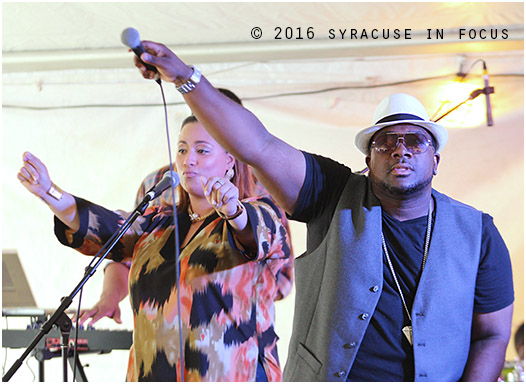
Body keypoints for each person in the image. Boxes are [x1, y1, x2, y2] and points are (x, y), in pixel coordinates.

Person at [130, 40, 515, 381]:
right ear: (368, 158)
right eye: (386, 142)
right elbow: (257, 145)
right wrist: (185, 77)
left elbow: (493, 334)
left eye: (415, 140)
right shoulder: (332, 193)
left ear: (436, 160)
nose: (401, 149)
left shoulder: (478, 232)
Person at [18, 117, 292, 381]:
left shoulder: (262, 212)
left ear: (230, 160)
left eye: (202, 150)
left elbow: (255, 231)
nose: (188, 160)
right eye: (182, 149)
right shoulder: (157, 222)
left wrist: (234, 211)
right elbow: (103, 226)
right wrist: (48, 191)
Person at [76, 89, 294, 328]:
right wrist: (109, 298)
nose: (190, 159)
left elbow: (281, 280)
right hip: (164, 336)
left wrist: (212, 288)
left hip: (234, 342)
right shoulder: (158, 182)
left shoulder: (263, 191)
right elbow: (127, 253)